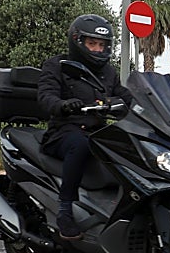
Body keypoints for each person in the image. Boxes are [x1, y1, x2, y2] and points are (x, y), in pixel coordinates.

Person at [38, 14, 128, 241]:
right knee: (80, 144)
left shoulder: (109, 73)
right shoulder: (57, 66)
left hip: (98, 132)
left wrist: (145, 103)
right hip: (64, 131)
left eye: (101, 45)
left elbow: (125, 95)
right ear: (77, 41)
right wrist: (63, 105)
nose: (97, 49)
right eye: (92, 43)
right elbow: (46, 96)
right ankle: (65, 210)